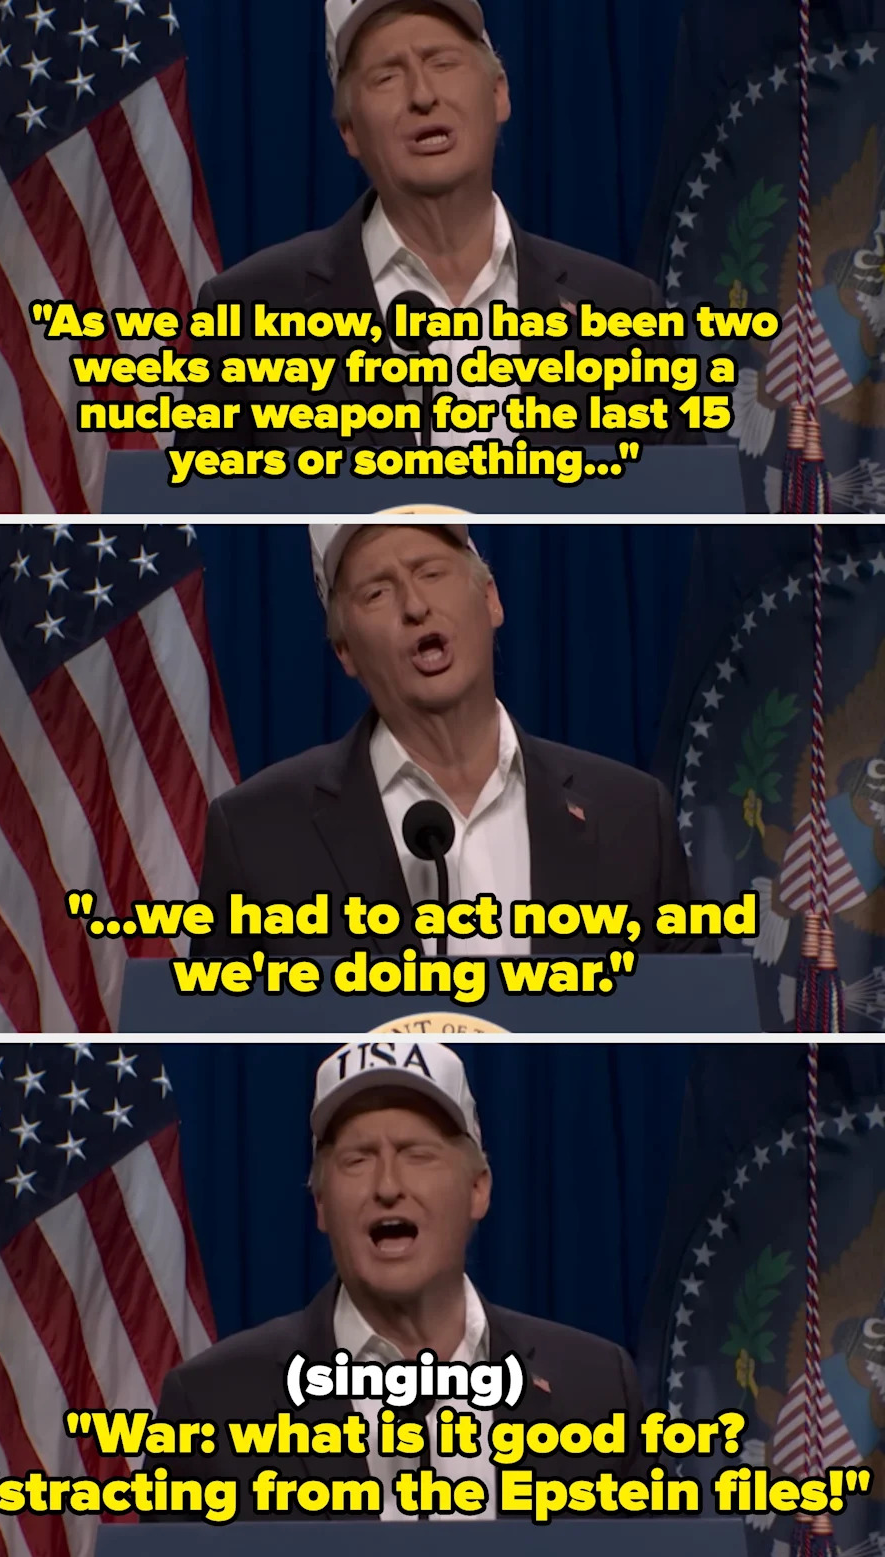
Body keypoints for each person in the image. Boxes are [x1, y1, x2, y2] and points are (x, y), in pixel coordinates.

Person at [149, 1041, 652, 1521]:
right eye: (357, 1159)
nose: (387, 1186)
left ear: (478, 1189)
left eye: (417, 1154)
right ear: (321, 1203)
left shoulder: (598, 1389)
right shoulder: (209, 1408)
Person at [176, 0, 700, 452]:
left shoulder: (625, 311)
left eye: (442, 62)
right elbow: (208, 525)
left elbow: (688, 518)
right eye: (386, 76)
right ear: (349, 130)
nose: (422, 94)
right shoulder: (247, 316)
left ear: (499, 93)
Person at [196, 521, 710, 958]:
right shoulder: (256, 836)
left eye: (431, 573)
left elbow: (697, 1028)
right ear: (345, 650)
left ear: (490, 599)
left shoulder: (634, 818)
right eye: (376, 592)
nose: (415, 605)